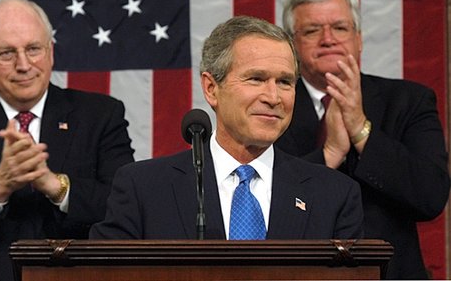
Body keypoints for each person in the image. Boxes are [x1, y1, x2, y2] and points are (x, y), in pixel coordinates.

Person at [90, 15, 363, 240]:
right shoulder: (144, 188)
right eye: (256, 79)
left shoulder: (334, 194)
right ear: (211, 89)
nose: (273, 97)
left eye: (285, 82)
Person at [0, 0, 135, 281]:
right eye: (7, 53)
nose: (23, 64)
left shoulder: (101, 115)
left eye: (33, 49)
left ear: (50, 51)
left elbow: (126, 210)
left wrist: (56, 186)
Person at [273, 0, 450, 279]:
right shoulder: (271, 107)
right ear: (292, 45)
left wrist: (360, 130)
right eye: (313, 30)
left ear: (359, 39)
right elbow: (264, 202)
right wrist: (329, 155)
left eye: (340, 28)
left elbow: (430, 197)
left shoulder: (409, 101)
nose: (328, 39)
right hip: (298, 275)